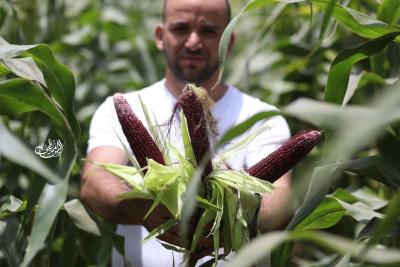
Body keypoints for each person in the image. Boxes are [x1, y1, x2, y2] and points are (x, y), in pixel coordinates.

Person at [80, 0, 293, 266]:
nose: (193, 42)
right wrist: (143, 210)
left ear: (229, 41)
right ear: (160, 36)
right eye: (181, 29)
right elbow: (94, 179)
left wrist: (232, 220)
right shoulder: (122, 109)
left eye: (209, 31)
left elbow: (279, 196)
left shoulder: (262, 118)